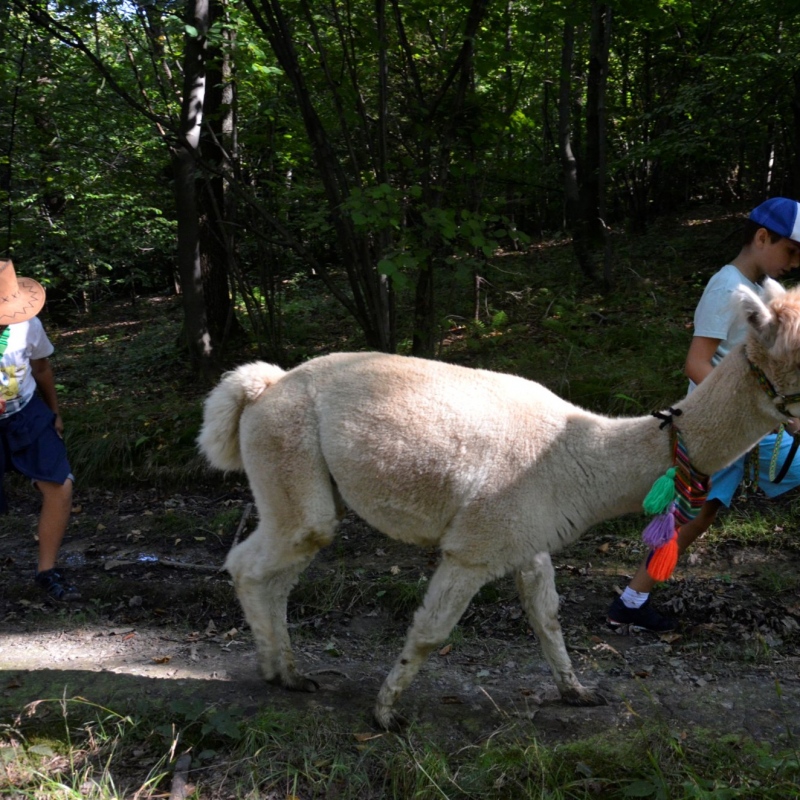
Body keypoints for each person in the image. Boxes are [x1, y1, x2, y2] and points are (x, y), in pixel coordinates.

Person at [608, 197, 800, 632]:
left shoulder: (757, 290)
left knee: (697, 516)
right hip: (724, 424)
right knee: (692, 517)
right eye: (791, 250)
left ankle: (631, 602)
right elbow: (697, 363)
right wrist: (781, 414)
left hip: (745, 421)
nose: (795, 262)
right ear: (762, 237)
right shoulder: (728, 289)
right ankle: (631, 602)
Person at [0, 259, 78, 601]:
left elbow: (42, 367)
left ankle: (46, 572)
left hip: (27, 411)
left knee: (60, 485)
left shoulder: (27, 324)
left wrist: (54, 412)